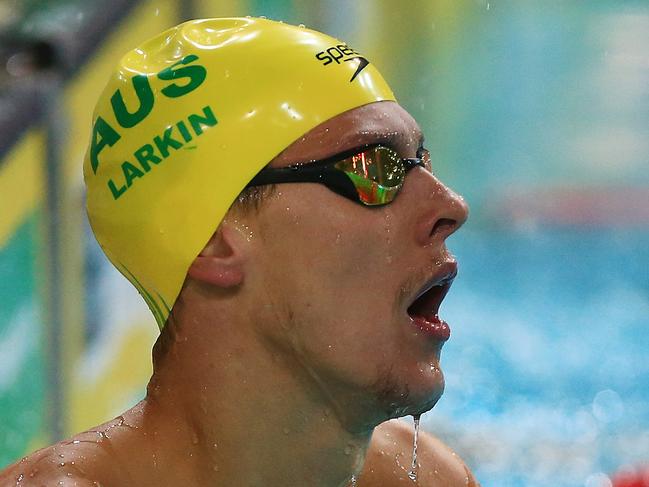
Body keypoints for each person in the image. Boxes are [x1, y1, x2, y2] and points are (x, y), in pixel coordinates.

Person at [0, 18, 475, 486]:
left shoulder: (424, 477)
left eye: (422, 162)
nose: (451, 206)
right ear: (212, 239)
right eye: (371, 168)